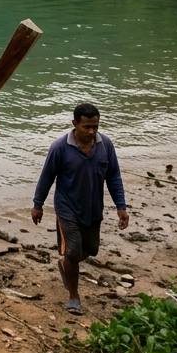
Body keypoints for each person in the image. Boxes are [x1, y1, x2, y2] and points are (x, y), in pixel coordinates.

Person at [30, 102, 129, 316]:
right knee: (74, 251)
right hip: (67, 208)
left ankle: (65, 262)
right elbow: (46, 177)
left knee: (91, 249)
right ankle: (74, 297)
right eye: (87, 127)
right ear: (75, 124)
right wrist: (38, 205)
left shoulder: (106, 145)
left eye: (96, 126)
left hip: (93, 208)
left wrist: (121, 206)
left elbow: (114, 176)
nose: (92, 131)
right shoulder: (60, 148)